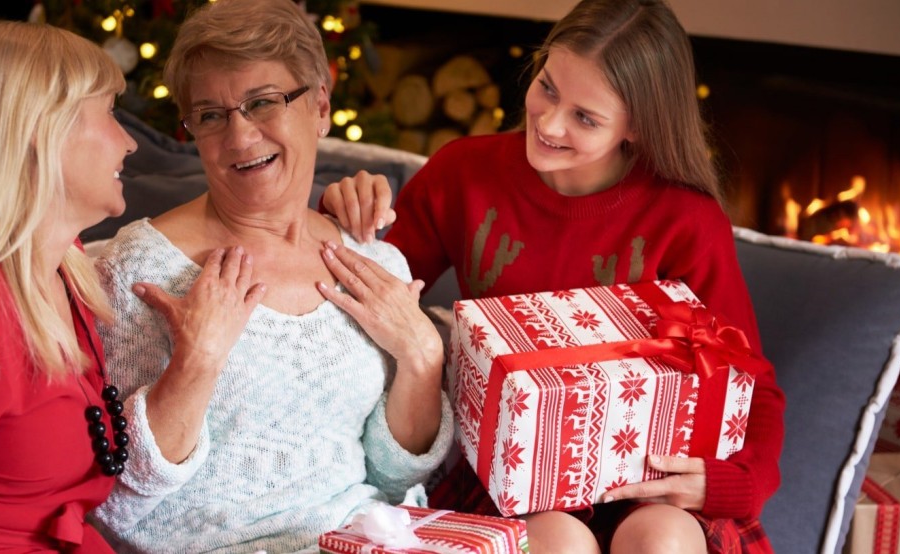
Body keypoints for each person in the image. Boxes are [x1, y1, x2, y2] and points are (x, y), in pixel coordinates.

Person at [321, 0, 786, 552]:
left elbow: (751, 384)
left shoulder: (686, 219)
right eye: (546, 87)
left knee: (661, 538)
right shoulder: (464, 174)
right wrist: (343, 223)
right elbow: (367, 296)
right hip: (511, 473)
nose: (549, 122)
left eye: (585, 117)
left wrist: (738, 483)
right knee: (558, 543)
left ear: (637, 127)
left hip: (644, 474)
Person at [88, 0, 454, 552]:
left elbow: (396, 479)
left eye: (262, 103)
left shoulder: (374, 262)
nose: (239, 138)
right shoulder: (142, 267)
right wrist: (197, 361)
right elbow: (118, 498)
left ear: (321, 107)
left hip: (364, 540)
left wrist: (423, 358)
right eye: (211, 115)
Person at [0, 20, 257, 553]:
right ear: (38, 127)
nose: (127, 143)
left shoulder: (66, 273)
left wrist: (335, 211)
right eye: (111, 113)